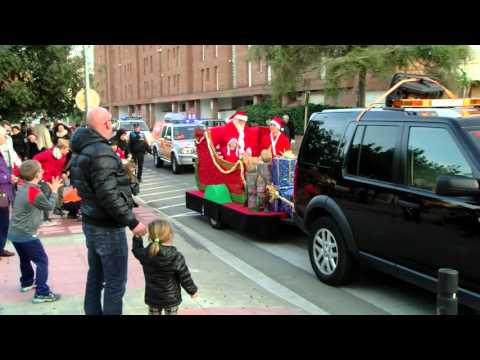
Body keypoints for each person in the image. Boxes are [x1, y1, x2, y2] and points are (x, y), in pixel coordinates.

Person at [70, 107, 147, 315]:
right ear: (105, 124)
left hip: (91, 220)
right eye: (110, 121)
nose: (111, 125)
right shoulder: (100, 151)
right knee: (115, 282)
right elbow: (109, 195)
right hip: (106, 226)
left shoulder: (83, 148)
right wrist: (132, 222)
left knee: (96, 276)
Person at [7, 160, 63, 302]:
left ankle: (26, 282)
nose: (43, 171)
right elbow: (49, 207)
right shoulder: (33, 191)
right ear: (37, 174)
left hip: (14, 233)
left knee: (25, 258)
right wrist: (55, 191)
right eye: (41, 169)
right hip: (26, 234)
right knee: (42, 261)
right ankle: (42, 293)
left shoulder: (22, 186)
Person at [132, 219, 198, 315]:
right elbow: (184, 276)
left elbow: (137, 250)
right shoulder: (175, 255)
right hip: (171, 299)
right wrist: (192, 291)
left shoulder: (146, 254)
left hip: (153, 298)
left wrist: (137, 237)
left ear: (150, 236)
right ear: (170, 235)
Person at [33, 139, 70, 221]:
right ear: (62, 148)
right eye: (67, 149)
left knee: (59, 194)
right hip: (46, 178)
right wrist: (41, 171)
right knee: (46, 196)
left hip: (56, 178)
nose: (68, 151)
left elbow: (60, 166)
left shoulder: (64, 155)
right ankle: (46, 217)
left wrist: (63, 172)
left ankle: (57, 209)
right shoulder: (48, 153)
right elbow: (35, 158)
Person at [0, 126, 16, 259]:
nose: (6, 138)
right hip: (1, 191)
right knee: (2, 219)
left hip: (5, 190)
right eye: (4, 135)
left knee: (4, 220)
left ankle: (1, 247)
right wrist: (8, 178)